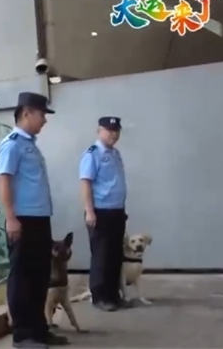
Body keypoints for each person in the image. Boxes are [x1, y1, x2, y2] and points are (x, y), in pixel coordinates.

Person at [0, 92, 68, 348]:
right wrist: (11, 217)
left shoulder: (30, 145)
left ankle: (39, 330)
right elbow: (4, 180)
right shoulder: (12, 144)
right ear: (26, 113)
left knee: (39, 277)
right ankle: (23, 334)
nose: (44, 121)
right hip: (22, 219)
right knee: (22, 278)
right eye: (41, 115)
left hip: (39, 219)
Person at [79, 116, 127, 312]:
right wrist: (89, 211)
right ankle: (100, 296)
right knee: (102, 255)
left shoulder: (115, 154)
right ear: (99, 131)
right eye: (109, 130)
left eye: (116, 131)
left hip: (116, 211)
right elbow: (85, 183)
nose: (113, 134)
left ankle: (113, 295)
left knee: (115, 255)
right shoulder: (92, 154)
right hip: (100, 212)